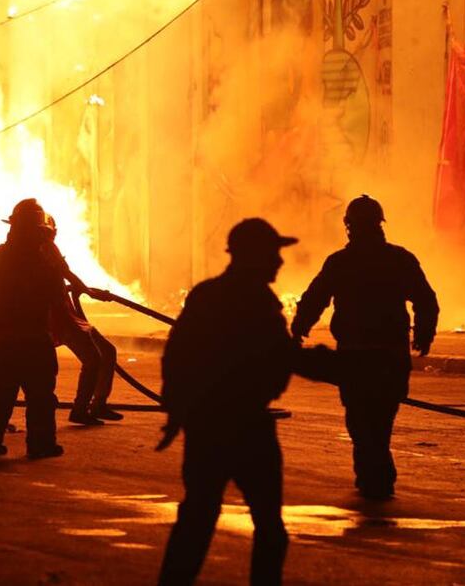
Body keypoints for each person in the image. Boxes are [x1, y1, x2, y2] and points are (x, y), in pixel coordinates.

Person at [158, 218, 295, 586]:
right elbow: (279, 357)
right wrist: (344, 368)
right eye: (273, 254)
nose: (279, 262)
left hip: (207, 427)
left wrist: (176, 411)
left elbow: (176, 356)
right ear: (254, 255)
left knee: (197, 518)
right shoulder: (257, 301)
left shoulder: (206, 294)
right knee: (269, 528)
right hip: (246, 427)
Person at [292, 194, 438, 500]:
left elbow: (316, 297)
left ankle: (373, 478)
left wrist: (300, 326)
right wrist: (424, 334)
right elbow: (426, 300)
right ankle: (377, 477)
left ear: (348, 226)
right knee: (381, 419)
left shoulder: (341, 263)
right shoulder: (399, 259)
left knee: (360, 421)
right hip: (390, 357)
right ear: (379, 224)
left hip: (355, 356)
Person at [0, 199, 66, 459]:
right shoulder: (40, 261)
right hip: (32, 339)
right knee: (41, 396)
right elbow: (54, 294)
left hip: (2, 340)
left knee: (0, 393)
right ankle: (41, 444)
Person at [42, 215, 122, 425]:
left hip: (66, 312)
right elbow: (66, 274)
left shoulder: (41, 248)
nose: (54, 232)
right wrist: (90, 292)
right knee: (94, 359)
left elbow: (65, 276)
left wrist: (89, 292)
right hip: (58, 315)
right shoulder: (43, 248)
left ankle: (98, 404)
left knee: (107, 351)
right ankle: (80, 409)